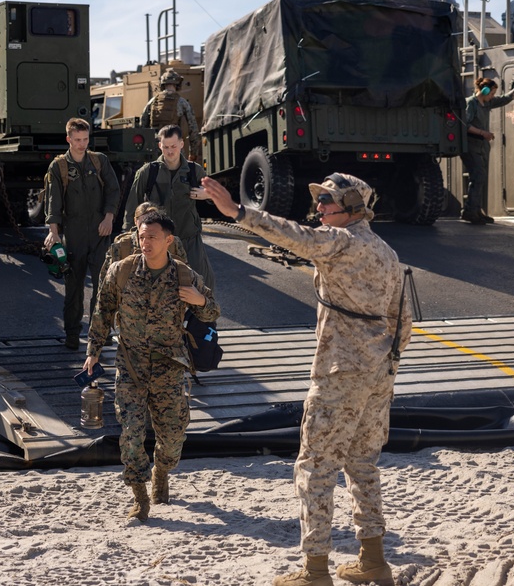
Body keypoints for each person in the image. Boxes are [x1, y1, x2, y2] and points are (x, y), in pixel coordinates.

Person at [201, 173, 412, 586]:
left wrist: (238, 212)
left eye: (327, 201)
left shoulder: (342, 242)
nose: (318, 208)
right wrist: (386, 368)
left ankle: (315, 571)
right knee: (363, 464)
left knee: (315, 468)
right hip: (377, 375)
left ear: (351, 207)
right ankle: (373, 560)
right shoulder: (386, 252)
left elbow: (292, 235)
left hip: (339, 375)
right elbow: (402, 322)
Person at [83, 211, 219, 521]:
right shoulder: (121, 271)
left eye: (152, 237)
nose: (145, 243)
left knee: (172, 439)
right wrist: (93, 351)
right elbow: (103, 312)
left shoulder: (185, 276)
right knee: (130, 432)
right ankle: (140, 496)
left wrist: (199, 302)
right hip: (130, 365)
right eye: (141, 237)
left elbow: (212, 313)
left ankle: (162, 471)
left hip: (169, 367)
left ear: (168, 241)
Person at [44, 118, 121, 350]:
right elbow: (53, 201)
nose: (82, 144)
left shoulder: (99, 161)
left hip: (100, 233)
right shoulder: (59, 167)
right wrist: (53, 232)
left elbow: (114, 190)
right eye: (77, 140)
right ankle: (71, 335)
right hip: (74, 235)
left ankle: (100, 333)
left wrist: (109, 218)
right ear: (68, 139)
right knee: (74, 289)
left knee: (103, 286)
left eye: (85, 139)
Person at [124, 124, 215, 290]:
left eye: (173, 146)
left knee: (203, 286)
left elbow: (217, 197)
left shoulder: (194, 171)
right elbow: (131, 207)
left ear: (181, 144)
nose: (170, 151)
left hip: (189, 239)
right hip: (159, 242)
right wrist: (131, 239)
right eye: (165, 147)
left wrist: (207, 195)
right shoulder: (148, 172)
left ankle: (198, 317)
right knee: (158, 290)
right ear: (160, 146)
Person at [462, 72, 514, 224]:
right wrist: (483, 132)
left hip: (482, 146)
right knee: (477, 175)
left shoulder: (487, 103)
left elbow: (506, 98)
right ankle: (469, 211)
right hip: (471, 145)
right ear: (484, 91)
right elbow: (465, 125)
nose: (493, 96)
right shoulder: (471, 103)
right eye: (491, 93)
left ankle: (476, 210)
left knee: (480, 178)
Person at [98, 201, 188, 287]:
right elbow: (106, 279)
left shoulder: (172, 242)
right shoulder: (122, 245)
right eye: (144, 220)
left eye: (153, 220)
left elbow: (184, 272)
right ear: (135, 221)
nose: (148, 224)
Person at [140, 69, 200, 159]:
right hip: (175, 148)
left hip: (156, 148)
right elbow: (193, 129)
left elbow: (142, 124)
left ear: (162, 84)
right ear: (178, 84)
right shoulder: (182, 103)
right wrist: (193, 152)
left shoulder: (152, 102)